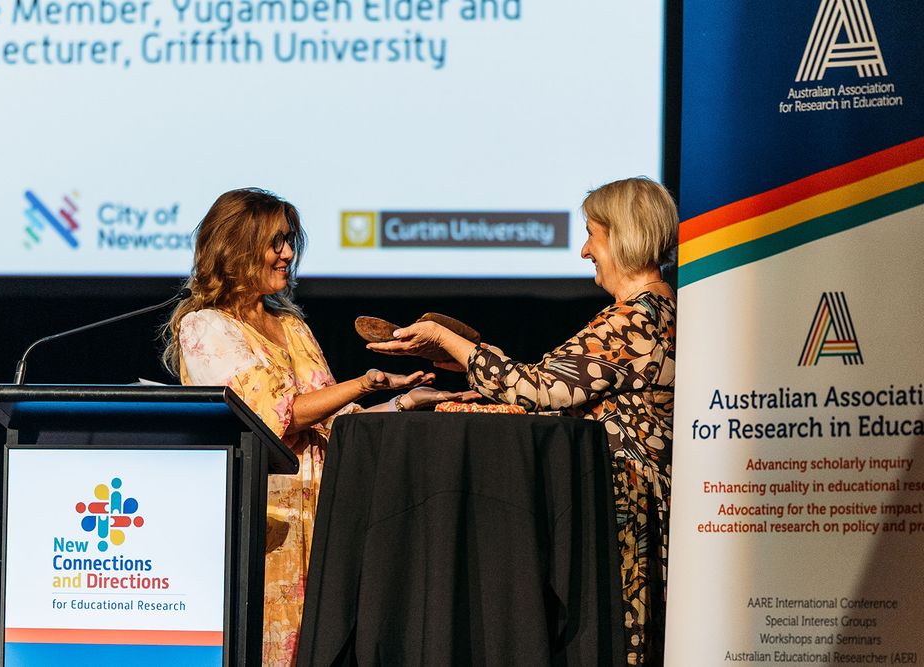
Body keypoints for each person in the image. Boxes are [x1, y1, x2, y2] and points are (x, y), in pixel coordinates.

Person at [368, 176, 677, 666]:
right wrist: (466, 362)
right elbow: (556, 383)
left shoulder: (633, 321)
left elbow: (536, 389)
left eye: (592, 236)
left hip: (623, 519)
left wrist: (445, 339)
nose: (584, 251)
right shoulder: (663, 309)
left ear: (623, 236)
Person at [162, 187, 462, 666]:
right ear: (235, 247)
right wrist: (363, 382)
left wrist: (403, 402)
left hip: (325, 518)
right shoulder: (206, 326)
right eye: (275, 242)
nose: (287, 253)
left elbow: (334, 423)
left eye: (289, 240)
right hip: (265, 524)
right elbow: (272, 413)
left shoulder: (292, 326)